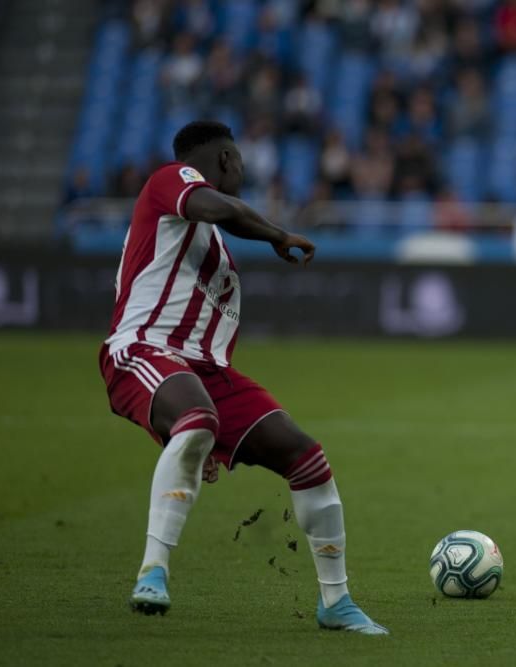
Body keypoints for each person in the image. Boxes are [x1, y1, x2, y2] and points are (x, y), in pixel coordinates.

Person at [98, 121, 387, 634]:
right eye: (242, 162)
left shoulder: (212, 246)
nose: (245, 172)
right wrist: (277, 233)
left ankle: (336, 602)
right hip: (143, 348)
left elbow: (218, 222)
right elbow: (220, 208)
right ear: (227, 159)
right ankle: (153, 571)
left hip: (207, 371)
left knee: (306, 456)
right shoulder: (170, 180)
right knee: (197, 417)